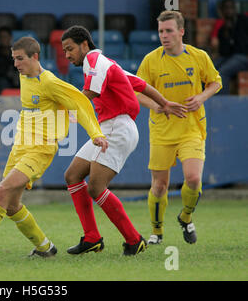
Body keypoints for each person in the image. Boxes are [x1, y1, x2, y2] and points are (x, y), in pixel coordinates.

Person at [0, 36, 109, 263]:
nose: (15, 64)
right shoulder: (23, 75)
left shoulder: (50, 82)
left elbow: (80, 103)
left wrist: (95, 134)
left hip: (41, 150)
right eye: (13, 59)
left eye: (20, 59)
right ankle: (45, 247)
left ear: (35, 57)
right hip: (19, 147)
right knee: (13, 205)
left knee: (3, 190)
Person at [61, 25, 187, 255]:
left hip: (117, 128)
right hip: (109, 126)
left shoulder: (94, 61)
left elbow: (91, 93)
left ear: (84, 44)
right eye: (64, 51)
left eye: (69, 49)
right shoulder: (108, 64)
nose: (67, 55)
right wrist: (164, 103)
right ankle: (92, 238)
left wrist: (61, 107)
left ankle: (133, 240)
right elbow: (142, 85)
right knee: (72, 175)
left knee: (96, 187)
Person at [136, 11, 222, 245]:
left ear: (181, 32)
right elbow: (136, 93)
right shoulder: (151, 60)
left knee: (193, 179)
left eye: (169, 31)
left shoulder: (198, 56)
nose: (164, 36)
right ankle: (157, 232)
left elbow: (216, 82)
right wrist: (161, 106)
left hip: (191, 129)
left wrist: (201, 97)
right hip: (162, 131)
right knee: (160, 185)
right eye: (161, 31)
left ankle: (185, 217)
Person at [210, 0, 248, 94]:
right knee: (209, 71)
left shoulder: (243, 20)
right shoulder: (223, 28)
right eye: (226, 8)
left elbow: (241, 46)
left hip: (244, 57)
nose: (229, 10)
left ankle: (222, 103)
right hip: (231, 57)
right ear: (222, 11)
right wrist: (226, 34)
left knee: (222, 73)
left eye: (231, 7)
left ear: (235, 9)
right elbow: (224, 52)